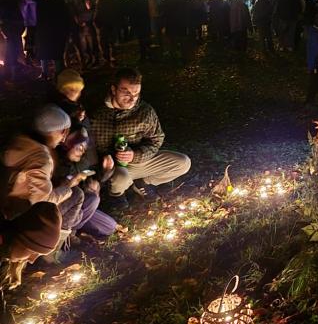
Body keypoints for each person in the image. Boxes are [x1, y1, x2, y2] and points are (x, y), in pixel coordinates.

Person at [90, 67, 191, 209]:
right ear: (113, 89)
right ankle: (116, 194)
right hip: (111, 166)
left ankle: (143, 182)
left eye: (136, 93)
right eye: (126, 93)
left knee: (183, 162)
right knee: (121, 178)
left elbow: (156, 139)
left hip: (137, 161)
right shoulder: (96, 112)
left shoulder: (144, 112)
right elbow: (85, 145)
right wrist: (101, 160)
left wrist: (136, 155)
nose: (132, 99)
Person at [0, 104, 87, 254]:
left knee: (79, 214)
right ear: (59, 131)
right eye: (63, 132)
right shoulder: (41, 159)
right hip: (20, 214)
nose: (63, 139)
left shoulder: (20, 140)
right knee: (77, 195)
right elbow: (42, 204)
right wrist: (68, 186)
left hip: (9, 204)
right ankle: (53, 250)